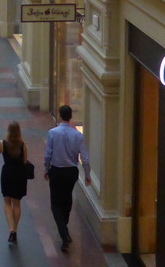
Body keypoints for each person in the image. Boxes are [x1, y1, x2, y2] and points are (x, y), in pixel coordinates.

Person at [44, 105, 91, 251]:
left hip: (56, 171)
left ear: (59, 115)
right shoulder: (78, 135)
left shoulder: (52, 133)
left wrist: (46, 169)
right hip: (71, 172)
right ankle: (64, 227)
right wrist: (87, 174)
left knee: (55, 204)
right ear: (70, 117)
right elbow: (85, 157)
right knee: (67, 198)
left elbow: (48, 154)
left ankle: (63, 233)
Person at [0, 120, 29, 244]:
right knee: (17, 203)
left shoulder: (3, 143)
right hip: (19, 175)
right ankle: (15, 228)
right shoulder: (23, 145)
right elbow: (25, 161)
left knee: (7, 201)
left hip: (7, 173)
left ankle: (10, 229)